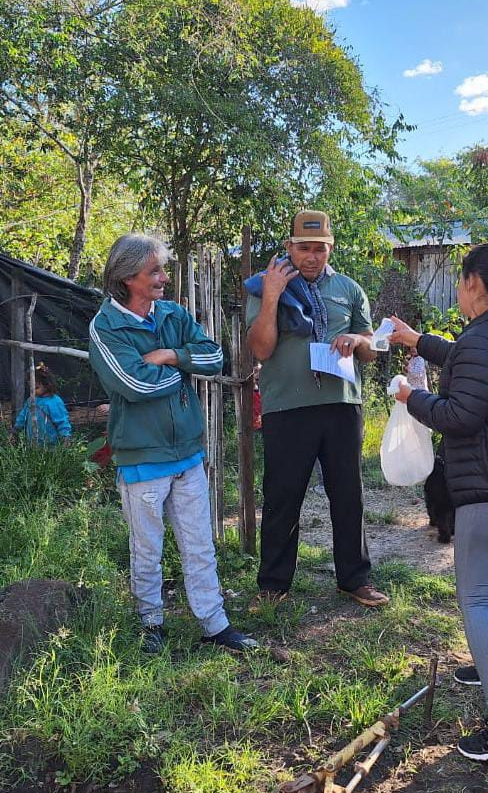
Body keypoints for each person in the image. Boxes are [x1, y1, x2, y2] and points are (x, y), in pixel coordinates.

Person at [389, 241, 488, 762]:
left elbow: (460, 415)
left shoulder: (486, 338)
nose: (459, 292)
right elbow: (467, 357)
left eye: (460, 283)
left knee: (475, 597)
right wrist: (418, 342)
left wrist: (409, 398)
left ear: (474, 286)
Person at [89, 234, 257, 655]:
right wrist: (186, 368)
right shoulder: (106, 327)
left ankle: (214, 623)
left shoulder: (172, 315)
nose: (164, 278)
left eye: (163, 269)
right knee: (147, 548)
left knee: (199, 541)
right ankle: (151, 624)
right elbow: (132, 384)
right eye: (155, 271)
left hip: (187, 452)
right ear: (128, 277)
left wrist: (171, 357)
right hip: (142, 458)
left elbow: (215, 358)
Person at [246, 210, 389, 608]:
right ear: (289, 247)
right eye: (304, 248)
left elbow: (371, 348)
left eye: (320, 249)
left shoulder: (348, 288)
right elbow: (259, 348)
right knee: (282, 496)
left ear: (331, 249)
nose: (312, 257)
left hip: (341, 404)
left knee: (348, 495)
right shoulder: (265, 287)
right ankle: (273, 586)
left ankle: (354, 579)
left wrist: (356, 342)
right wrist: (273, 295)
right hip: (287, 407)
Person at [13, 363, 72, 445]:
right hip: (32, 445)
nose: (33, 391)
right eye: (31, 388)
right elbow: (22, 417)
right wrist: (15, 430)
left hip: (51, 448)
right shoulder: (31, 400)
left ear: (47, 384)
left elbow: (62, 422)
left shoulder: (54, 402)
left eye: (36, 388)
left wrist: (66, 438)